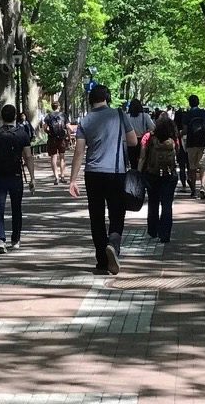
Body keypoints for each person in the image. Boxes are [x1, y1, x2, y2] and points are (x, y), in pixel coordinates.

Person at [69, 84, 136, 275]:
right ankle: (113, 244)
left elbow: (79, 152)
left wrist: (73, 180)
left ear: (90, 99)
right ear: (108, 97)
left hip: (93, 173)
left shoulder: (86, 120)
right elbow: (133, 141)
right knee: (117, 212)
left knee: (96, 216)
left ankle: (101, 260)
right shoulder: (119, 115)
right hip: (116, 172)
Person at [0, 104, 36, 253]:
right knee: (16, 208)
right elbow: (28, 156)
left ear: (1, 116)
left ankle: (0, 240)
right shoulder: (22, 134)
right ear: (15, 116)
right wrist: (32, 178)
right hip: (16, 175)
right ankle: (15, 239)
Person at [138, 115, 178, 243]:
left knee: (153, 202)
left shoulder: (148, 137)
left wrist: (139, 173)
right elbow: (177, 152)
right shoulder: (173, 139)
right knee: (167, 205)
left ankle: (153, 230)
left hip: (152, 174)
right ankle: (165, 234)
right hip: (169, 175)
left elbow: (142, 157)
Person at [182, 94, 205, 200]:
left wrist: (179, 134)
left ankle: (193, 190)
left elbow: (185, 130)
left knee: (192, 167)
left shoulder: (187, 115)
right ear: (198, 102)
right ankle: (203, 187)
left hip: (191, 143)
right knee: (203, 167)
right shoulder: (204, 113)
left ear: (189, 103)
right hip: (203, 143)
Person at [42, 99, 69, 185]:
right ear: (59, 107)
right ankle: (62, 176)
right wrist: (68, 136)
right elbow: (68, 127)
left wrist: (48, 133)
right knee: (62, 157)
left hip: (52, 138)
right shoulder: (63, 115)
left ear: (52, 107)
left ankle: (56, 177)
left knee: (53, 157)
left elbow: (44, 128)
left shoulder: (48, 116)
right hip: (61, 139)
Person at [127, 98, 154, 164]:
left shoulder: (127, 116)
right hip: (142, 141)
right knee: (142, 161)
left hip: (130, 142)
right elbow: (152, 128)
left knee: (132, 162)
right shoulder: (145, 116)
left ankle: (133, 173)